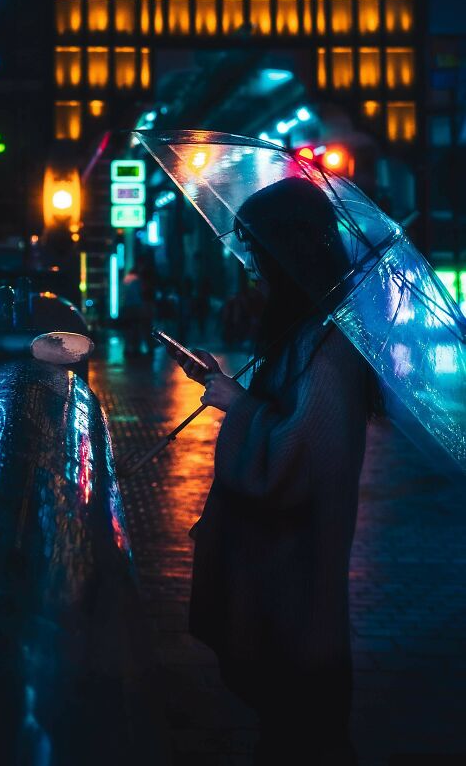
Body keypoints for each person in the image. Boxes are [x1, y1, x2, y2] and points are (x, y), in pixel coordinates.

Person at [172, 177, 381, 765]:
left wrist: (238, 405)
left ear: (289, 251)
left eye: (260, 253)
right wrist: (237, 391)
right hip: (284, 577)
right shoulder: (305, 336)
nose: (253, 268)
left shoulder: (329, 346)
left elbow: (296, 457)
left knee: (304, 735)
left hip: (298, 583)